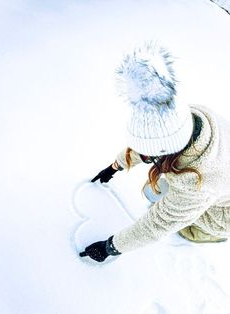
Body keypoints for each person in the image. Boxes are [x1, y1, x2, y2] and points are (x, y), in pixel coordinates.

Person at [79, 41, 230, 263]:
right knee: (157, 192)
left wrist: (110, 247)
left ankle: (208, 236)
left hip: (223, 215)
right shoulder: (188, 119)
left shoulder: (197, 187)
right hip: (214, 178)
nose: (147, 156)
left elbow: (157, 224)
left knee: (188, 229)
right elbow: (151, 146)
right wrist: (116, 165)